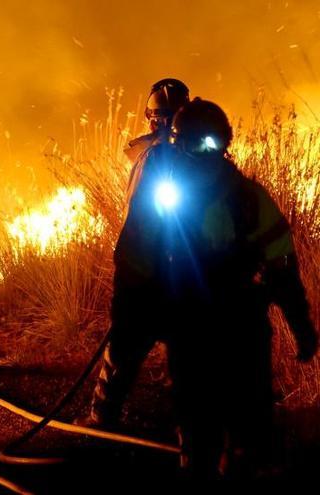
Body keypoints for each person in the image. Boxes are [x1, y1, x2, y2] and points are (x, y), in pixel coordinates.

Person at [113, 99, 317, 478]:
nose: (205, 156)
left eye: (212, 146)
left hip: (242, 325)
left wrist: (301, 325)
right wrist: (128, 323)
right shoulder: (163, 200)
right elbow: (134, 264)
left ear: (225, 145)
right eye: (195, 145)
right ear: (178, 146)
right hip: (188, 326)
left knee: (252, 425)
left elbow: (283, 268)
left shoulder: (249, 200)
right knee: (196, 423)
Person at [80, 78, 190, 428]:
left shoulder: (196, 160)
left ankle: (196, 435)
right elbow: (139, 222)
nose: (166, 123)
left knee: (184, 356)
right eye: (161, 117)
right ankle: (102, 421)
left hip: (177, 274)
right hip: (156, 272)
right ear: (150, 118)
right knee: (127, 346)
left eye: (170, 116)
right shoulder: (153, 159)